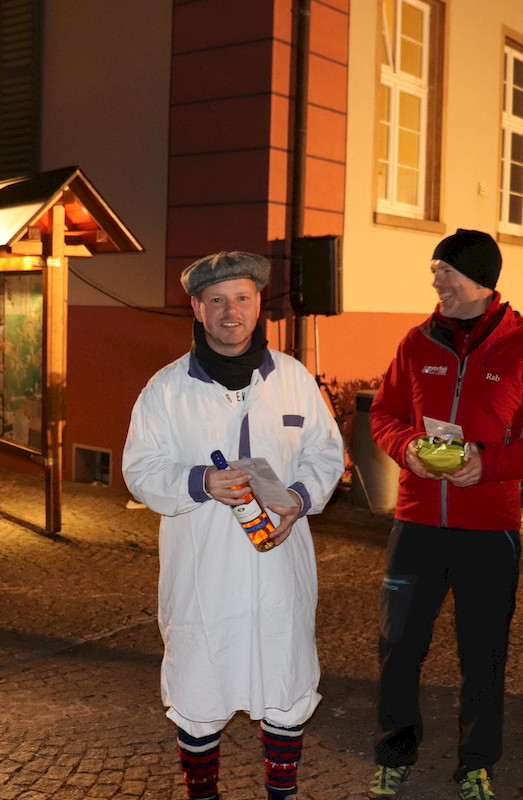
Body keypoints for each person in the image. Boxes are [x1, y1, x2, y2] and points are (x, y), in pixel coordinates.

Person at [122, 251, 345, 800]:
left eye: (242, 298)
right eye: (217, 300)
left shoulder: (293, 380)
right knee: (199, 684)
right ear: (197, 308)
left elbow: (325, 453)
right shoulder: (165, 390)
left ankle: (281, 794)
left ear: (258, 305)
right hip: (203, 571)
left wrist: (299, 497)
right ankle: (203, 795)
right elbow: (140, 470)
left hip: (280, 568)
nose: (231, 312)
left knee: (285, 680)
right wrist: (200, 481)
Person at [366, 229, 523, 800]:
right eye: (435, 270)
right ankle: (394, 752)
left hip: (489, 530)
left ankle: (476, 764)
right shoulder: (416, 343)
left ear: (480, 279)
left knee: (483, 656)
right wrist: (407, 446)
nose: (435, 281)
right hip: (417, 523)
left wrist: (490, 464)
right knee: (398, 644)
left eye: (445, 271)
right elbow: (384, 414)